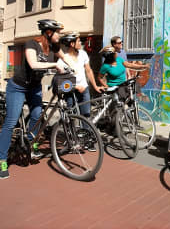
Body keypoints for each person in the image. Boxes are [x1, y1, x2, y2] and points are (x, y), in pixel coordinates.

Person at [0, 19, 68, 179]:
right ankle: (2, 159)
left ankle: (29, 144)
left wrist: (75, 71)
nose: (60, 34)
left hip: (34, 87)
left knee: (38, 115)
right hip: (18, 86)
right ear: (49, 32)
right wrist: (54, 65)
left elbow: (66, 59)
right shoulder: (32, 44)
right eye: (58, 32)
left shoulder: (54, 47)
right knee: (11, 121)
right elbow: (33, 64)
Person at [58, 32, 104, 119]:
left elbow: (89, 71)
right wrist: (76, 86)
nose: (81, 43)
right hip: (71, 92)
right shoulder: (63, 59)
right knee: (71, 117)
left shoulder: (83, 54)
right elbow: (61, 81)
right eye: (78, 41)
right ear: (72, 44)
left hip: (85, 90)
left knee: (86, 116)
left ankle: (85, 132)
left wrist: (95, 86)